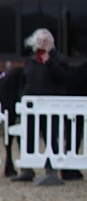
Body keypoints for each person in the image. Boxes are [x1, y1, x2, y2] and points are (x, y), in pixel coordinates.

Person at [11, 28, 79, 180]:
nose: (42, 44)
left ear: (52, 43)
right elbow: (25, 80)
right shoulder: (31, 60)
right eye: (40, 41)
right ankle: (27, 170)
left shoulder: (60, 60)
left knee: (50, 137)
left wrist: (49, 62)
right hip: (31, 107)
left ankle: (52, 169)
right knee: (26, 136)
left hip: (51, 107)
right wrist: (21, 98)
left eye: (45, 41)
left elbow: (65, 78)